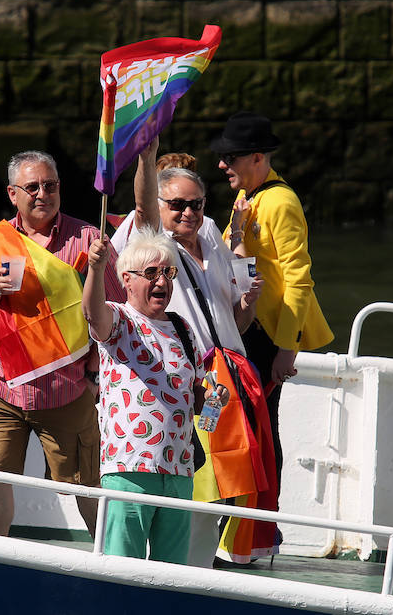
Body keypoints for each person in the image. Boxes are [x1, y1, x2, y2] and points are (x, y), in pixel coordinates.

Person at [111, 137, 265, 567]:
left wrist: (248, 301)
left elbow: (235, 321)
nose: (188, 213)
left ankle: (206, 570)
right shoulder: (151, 241)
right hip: (188, 377)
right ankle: (186, 570)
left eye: (196, 204)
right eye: (177, 204)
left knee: (232, 485)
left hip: (228, 376)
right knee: (200, 482)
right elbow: (142, 210)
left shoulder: (212, 231)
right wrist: (144, 153)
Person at [0, 150, 125, 537]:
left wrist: (98, 375)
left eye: (50, 185)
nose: (42, 194)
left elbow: (116, 313)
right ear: (13, 193)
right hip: (3, 383)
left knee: (87, 483)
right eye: (32, 187)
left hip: (68, 386)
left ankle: (109, 562)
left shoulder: (90, 240)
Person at [82, 228, 228, 563]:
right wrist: (94, 268)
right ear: (127, 280)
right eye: (151, 273)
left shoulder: (183, 329)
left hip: (179, 472)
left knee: (172, 573)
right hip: (129, 468)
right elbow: (92, 313)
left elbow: (200, 410)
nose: (161, 281)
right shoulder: (119, 320)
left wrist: (215, 401)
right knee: (122, 568)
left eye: (168, 272)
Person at [211, 111, 334, 493]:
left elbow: (300, 279)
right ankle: (243, 522)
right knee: (239, 423)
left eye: (230, 158)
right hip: (243, 329)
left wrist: (287, 348)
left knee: (261, 426)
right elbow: (242, 266)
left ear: (257, 158)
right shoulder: (246, 199)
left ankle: (261, 524)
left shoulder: (280, 203)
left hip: (267, 339)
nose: (221, 164)